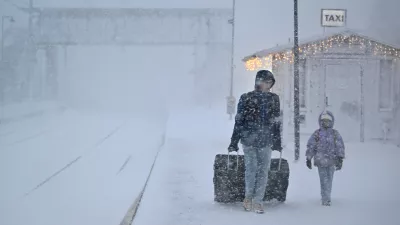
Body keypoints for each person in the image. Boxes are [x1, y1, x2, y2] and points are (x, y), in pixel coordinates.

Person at [228, 70, 282, 214]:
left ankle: (258, 201)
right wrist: (234, 141)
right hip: (249, 140)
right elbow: (239, 121)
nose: (268, 85)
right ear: (260, 81)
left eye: (270, 83)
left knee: (263, 171)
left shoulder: (274, 99)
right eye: (267, 82)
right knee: (251, 170)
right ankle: (248, 198)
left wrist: (277, 140)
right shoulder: (246, 98)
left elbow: (276, 122)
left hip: (266, 140)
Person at [305, 110, 345, 206]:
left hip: (331, 161)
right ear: (320, 122)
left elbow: (340, 146)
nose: (325, 123)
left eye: (328, 121)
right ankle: (325, 198)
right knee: (323, 180)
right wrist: (308, 158)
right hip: (320, 162)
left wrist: (340, 158)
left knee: (329, 179)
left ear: (331, 122)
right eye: (323, 121)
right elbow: (311, 146)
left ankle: (327, 196)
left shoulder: (335, 134)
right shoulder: (317, 134)